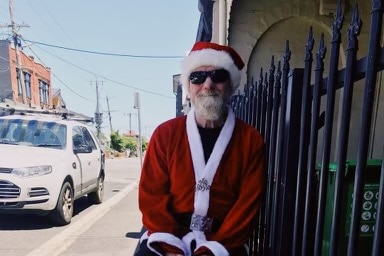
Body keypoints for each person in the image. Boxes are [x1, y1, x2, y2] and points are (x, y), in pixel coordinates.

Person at [135, 41, 266, 256]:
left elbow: (247, 206)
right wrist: (170, 247)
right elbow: (151, 196)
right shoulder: (165, 134)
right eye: (197, 77)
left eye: (218, 76)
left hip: (224, 241)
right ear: (189, 87)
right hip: (169, 234)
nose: (207, 84)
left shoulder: (250, 140)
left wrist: (213, 249)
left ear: (230, 85)